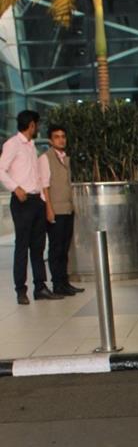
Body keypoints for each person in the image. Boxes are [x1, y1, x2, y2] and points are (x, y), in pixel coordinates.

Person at [0, 110, 61, 304]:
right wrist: (15, 188)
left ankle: (40, 287)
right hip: (22, 201)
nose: (38, 128)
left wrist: (44, 201)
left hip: (36, 201)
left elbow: (36, 177)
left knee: (38, 246)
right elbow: (0, 169)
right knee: (22, 246)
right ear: (31, 125)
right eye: (37, 124)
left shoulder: (31, 146)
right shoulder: (12, 144)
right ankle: (21, 290)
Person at [39, 124, 85, 297]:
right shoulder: (45, 158)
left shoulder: (65, 158)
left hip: (67, 208)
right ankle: (57, 283)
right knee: (56, 248)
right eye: (57, 136)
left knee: (65, 248)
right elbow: (45, 186)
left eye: (63, 136)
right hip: (55, 209)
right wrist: (49, 209)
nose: (61, 139)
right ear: (50, 140)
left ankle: (64, 282)